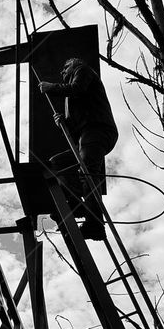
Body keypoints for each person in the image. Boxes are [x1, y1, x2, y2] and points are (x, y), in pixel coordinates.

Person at [39, 57, 118, 240]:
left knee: (88, 172)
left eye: (65, 67)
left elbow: (77, 89)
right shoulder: (70, 99)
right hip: (86, 135)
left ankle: (95, 225)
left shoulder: (82, 70)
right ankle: (77, 205)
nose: (62, 72)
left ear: (74, 64)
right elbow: (75, 130)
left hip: (97, 129)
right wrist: (63, 123)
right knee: (58, 163)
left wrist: (51, 86)